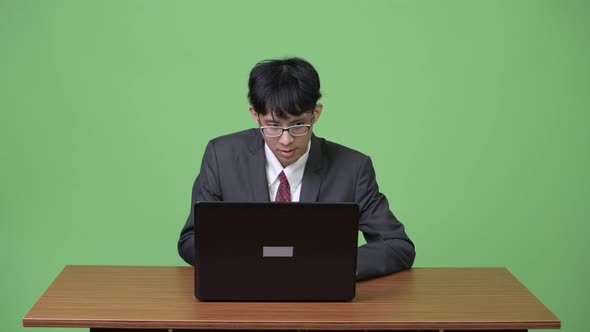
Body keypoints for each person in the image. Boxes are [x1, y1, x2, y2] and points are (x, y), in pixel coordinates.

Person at [178, 57, 415, 280]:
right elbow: (192, 239)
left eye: (299, 125)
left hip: (321, 301)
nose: (286, 140)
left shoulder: (353, 168)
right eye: (272, 125)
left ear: (316, 113)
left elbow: (397, 245)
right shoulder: (222, 157)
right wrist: (245, 263)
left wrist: (327, 265)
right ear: (255, 116)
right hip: (242, 294)